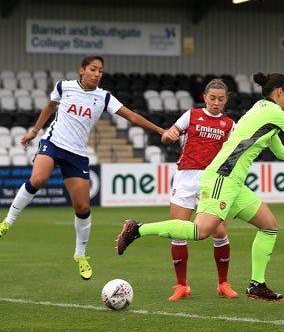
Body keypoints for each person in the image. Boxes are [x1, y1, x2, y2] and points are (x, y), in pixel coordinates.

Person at [115, 72, 284, 301]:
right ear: (279, 91)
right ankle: (137, 229)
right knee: (200, 231)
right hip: (222, 178)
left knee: (269, 226)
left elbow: (279, 151)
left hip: (233, 182)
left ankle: (257, 285)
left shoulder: (261, 110)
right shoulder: (273, 112)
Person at [0, 55, 165, 280]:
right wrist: (34, 131)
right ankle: (7, 222)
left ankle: (80, 255)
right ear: (82, 70)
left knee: (83, 208)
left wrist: (161, 131)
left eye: (100, 71)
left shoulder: (104, 97)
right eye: (93, 69)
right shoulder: (64, 87)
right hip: (53, 143)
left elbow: (132, 117)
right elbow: (50, 106)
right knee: (38, 179)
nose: (97, 74)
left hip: (77, 154)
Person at [160, 78, 238, 301]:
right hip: (186, 177)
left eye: (220, 99)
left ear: (226, 100)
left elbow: (234, 155)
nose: (216, 103)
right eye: (212, 98)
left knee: (220, 232)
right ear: (204, 97)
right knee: (178, 230)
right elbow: (167, 135)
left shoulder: (230, 125)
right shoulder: (191, 115)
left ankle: (223, 283)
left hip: (213, 181)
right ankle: (181, 285)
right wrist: (169, 135)